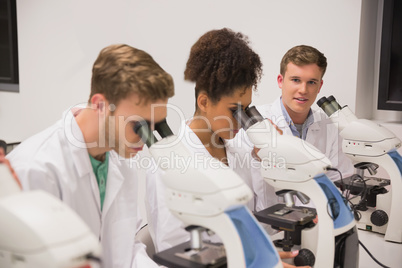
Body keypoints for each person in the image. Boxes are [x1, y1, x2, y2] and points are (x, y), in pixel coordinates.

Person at [146, 28, 310, 268]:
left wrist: (268, 164)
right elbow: (177, 252)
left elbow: (255, 224)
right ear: (204, 101)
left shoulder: (239, 148)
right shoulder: (169, 163)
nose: (242, 120)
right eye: (234, 110)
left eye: (248, 109)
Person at [7, 44, 174, 268]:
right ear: (100, 105)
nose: (146, 139)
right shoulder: (36, 168)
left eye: (155, 126)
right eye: (139, 126)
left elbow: (126, 250)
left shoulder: (120, 157)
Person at [255, 45, 354, 181]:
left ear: (320, 86)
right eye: (296, 80)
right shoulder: (255, 123)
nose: (303, 90)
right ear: (280, 81)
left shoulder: (331, 128)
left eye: (312, 82)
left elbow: (339, 180)